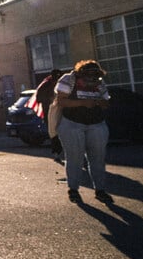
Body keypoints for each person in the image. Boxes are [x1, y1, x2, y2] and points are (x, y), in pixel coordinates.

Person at [55, 60, 112, 203]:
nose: (92, 79)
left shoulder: (99, 82)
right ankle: (73, 190)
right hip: (72, 123)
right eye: (88, 76)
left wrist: (99, 101)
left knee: (98, 158)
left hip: (96, 124)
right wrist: (83, 103)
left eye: (95, 76)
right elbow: (61, 101)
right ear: (81, 73)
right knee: (75, 157)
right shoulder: (69, 79)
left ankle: (100, 190)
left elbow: (106, 103)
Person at [31, 69, 64, 158]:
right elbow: (38, 98)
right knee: (53, 132)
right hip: (49, 112)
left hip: (62, 111)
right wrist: (49, 99)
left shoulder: (63, 84)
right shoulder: (45, 85)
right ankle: (56, 152)